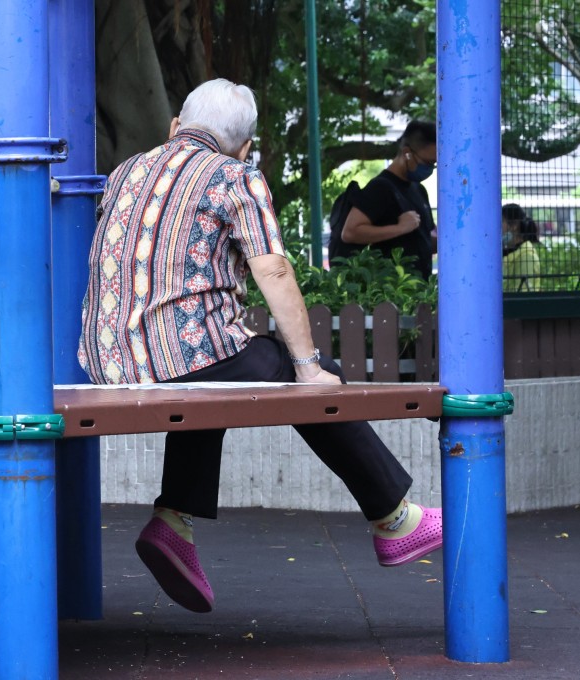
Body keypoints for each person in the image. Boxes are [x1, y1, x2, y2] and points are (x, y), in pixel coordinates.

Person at [78, 79, 442, 614]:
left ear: (174, 127)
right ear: (245, 146)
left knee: (216, 373)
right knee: (294, 372)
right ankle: (393, 518)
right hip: (183, 356)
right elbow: (272, 267)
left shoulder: (126, 170)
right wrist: (310, 366)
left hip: (107, 360)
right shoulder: (235, 177)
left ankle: (174, 520)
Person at [340, 121, 438, 280]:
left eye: (434, 164)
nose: (430, 169)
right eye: (427, 163)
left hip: (420, 289)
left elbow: (424, 240)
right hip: (392, 291)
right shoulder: (380, 188)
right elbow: (350, 232)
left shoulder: (418, 190)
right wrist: (399, 228)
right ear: (407, 153)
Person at [502, 203, 541, 292]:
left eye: (501, 221)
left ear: (514, 225)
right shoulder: (511, 253)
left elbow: (523, 293)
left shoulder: (527, 256)